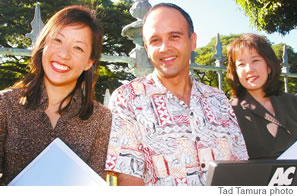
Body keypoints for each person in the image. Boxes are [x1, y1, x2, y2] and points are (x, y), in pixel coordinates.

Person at [105, 3, 248, 186]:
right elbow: (127, 179)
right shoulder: (128, 99)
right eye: (155, 40)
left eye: (174, 36)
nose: (165, 47)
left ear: (193, 40)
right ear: (147, 48)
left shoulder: (219, 100)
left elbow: (240, 169)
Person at [0, 5, 111, 185]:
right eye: (58, 40)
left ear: (89, 63)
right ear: (44, 44)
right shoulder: (5, 105)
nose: (63, 54)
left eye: (78, 48)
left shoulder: (101, 119)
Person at [226, 33, 297, 160]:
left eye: (255, 60)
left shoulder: (295, 102)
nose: (249, 69)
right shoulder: (229, 113)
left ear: (269, 66)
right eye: (241, 64)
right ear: (235, 72)